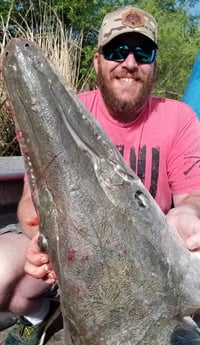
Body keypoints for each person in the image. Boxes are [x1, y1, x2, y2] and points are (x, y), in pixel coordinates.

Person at [2, 5, 200, 345]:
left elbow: (190, 199)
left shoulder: (178, 118)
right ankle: (37, 314)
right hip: (70, 257)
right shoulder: (68, 114)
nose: (130, 62)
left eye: (143, 52)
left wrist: (187, 218)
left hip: (151, 265)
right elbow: (30, 203)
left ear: (154, 64)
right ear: (98, 61)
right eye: (117, 51)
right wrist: (40, 238)